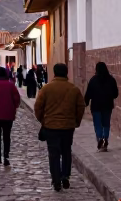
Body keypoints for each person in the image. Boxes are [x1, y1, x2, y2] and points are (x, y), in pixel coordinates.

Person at [34, 62, 85, 191]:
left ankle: (56, 179)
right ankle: (65, 176)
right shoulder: (74, 89)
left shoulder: (46, 89)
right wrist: (76, 121)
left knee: (54, 153)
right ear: (66, 73)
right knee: (66, 151)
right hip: (68, 126)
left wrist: (43, 120)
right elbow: (80, 107)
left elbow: (38, 107)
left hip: (51, 126)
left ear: (55, 73)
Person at [84, 61, 119, 150]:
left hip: (96, 106)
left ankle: (100, 139)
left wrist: (86, 102)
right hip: (107, 105)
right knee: (106, 123)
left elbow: (88, 93)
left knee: (98, 124)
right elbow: (115, 94)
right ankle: (105, 139)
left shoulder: (93, 80)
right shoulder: (111, 79)